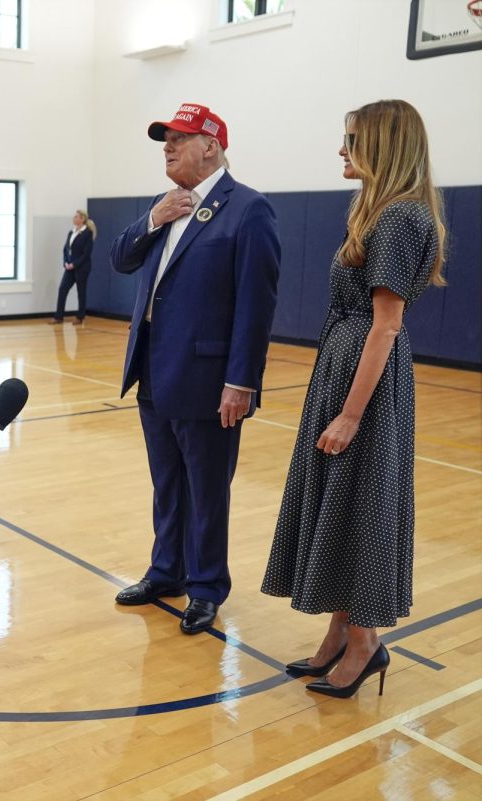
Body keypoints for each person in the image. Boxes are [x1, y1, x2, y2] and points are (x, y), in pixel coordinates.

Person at [261, 100, 447, 699]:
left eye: (350, 140)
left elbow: (385, 324)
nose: (341, 150)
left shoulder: (397, 220)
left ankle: (366, 642)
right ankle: (340, 631)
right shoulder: (373, 210)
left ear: (384, 146)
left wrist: (348, 412)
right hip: (342, 363)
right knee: (341, 500)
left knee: (362, 500)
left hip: (364, 377)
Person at [109, 102, 280, 635]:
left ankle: (206, 587)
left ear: (210, 145)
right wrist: (153, 217)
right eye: (166, 139)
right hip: (155, 370)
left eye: (179, 138)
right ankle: (167, 572)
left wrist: (241, 380)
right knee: (167, 482)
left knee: (207, 488)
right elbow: (121, 258)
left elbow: (256, 304)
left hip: (209, 380)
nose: (168, 146)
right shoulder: (167, 206)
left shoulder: (248, 209)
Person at [51, 210, 95, 324]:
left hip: (82, 268)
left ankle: (80, 317)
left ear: (82, 219)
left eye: (76, 217)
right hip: (69, 268)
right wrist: (66, 262)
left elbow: (86, 254)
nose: (74, 218)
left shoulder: (87, 233)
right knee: (62, 289)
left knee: (81, 292)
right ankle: (58, 316)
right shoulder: (72, 232)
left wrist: (74, 264)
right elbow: (66, 249)